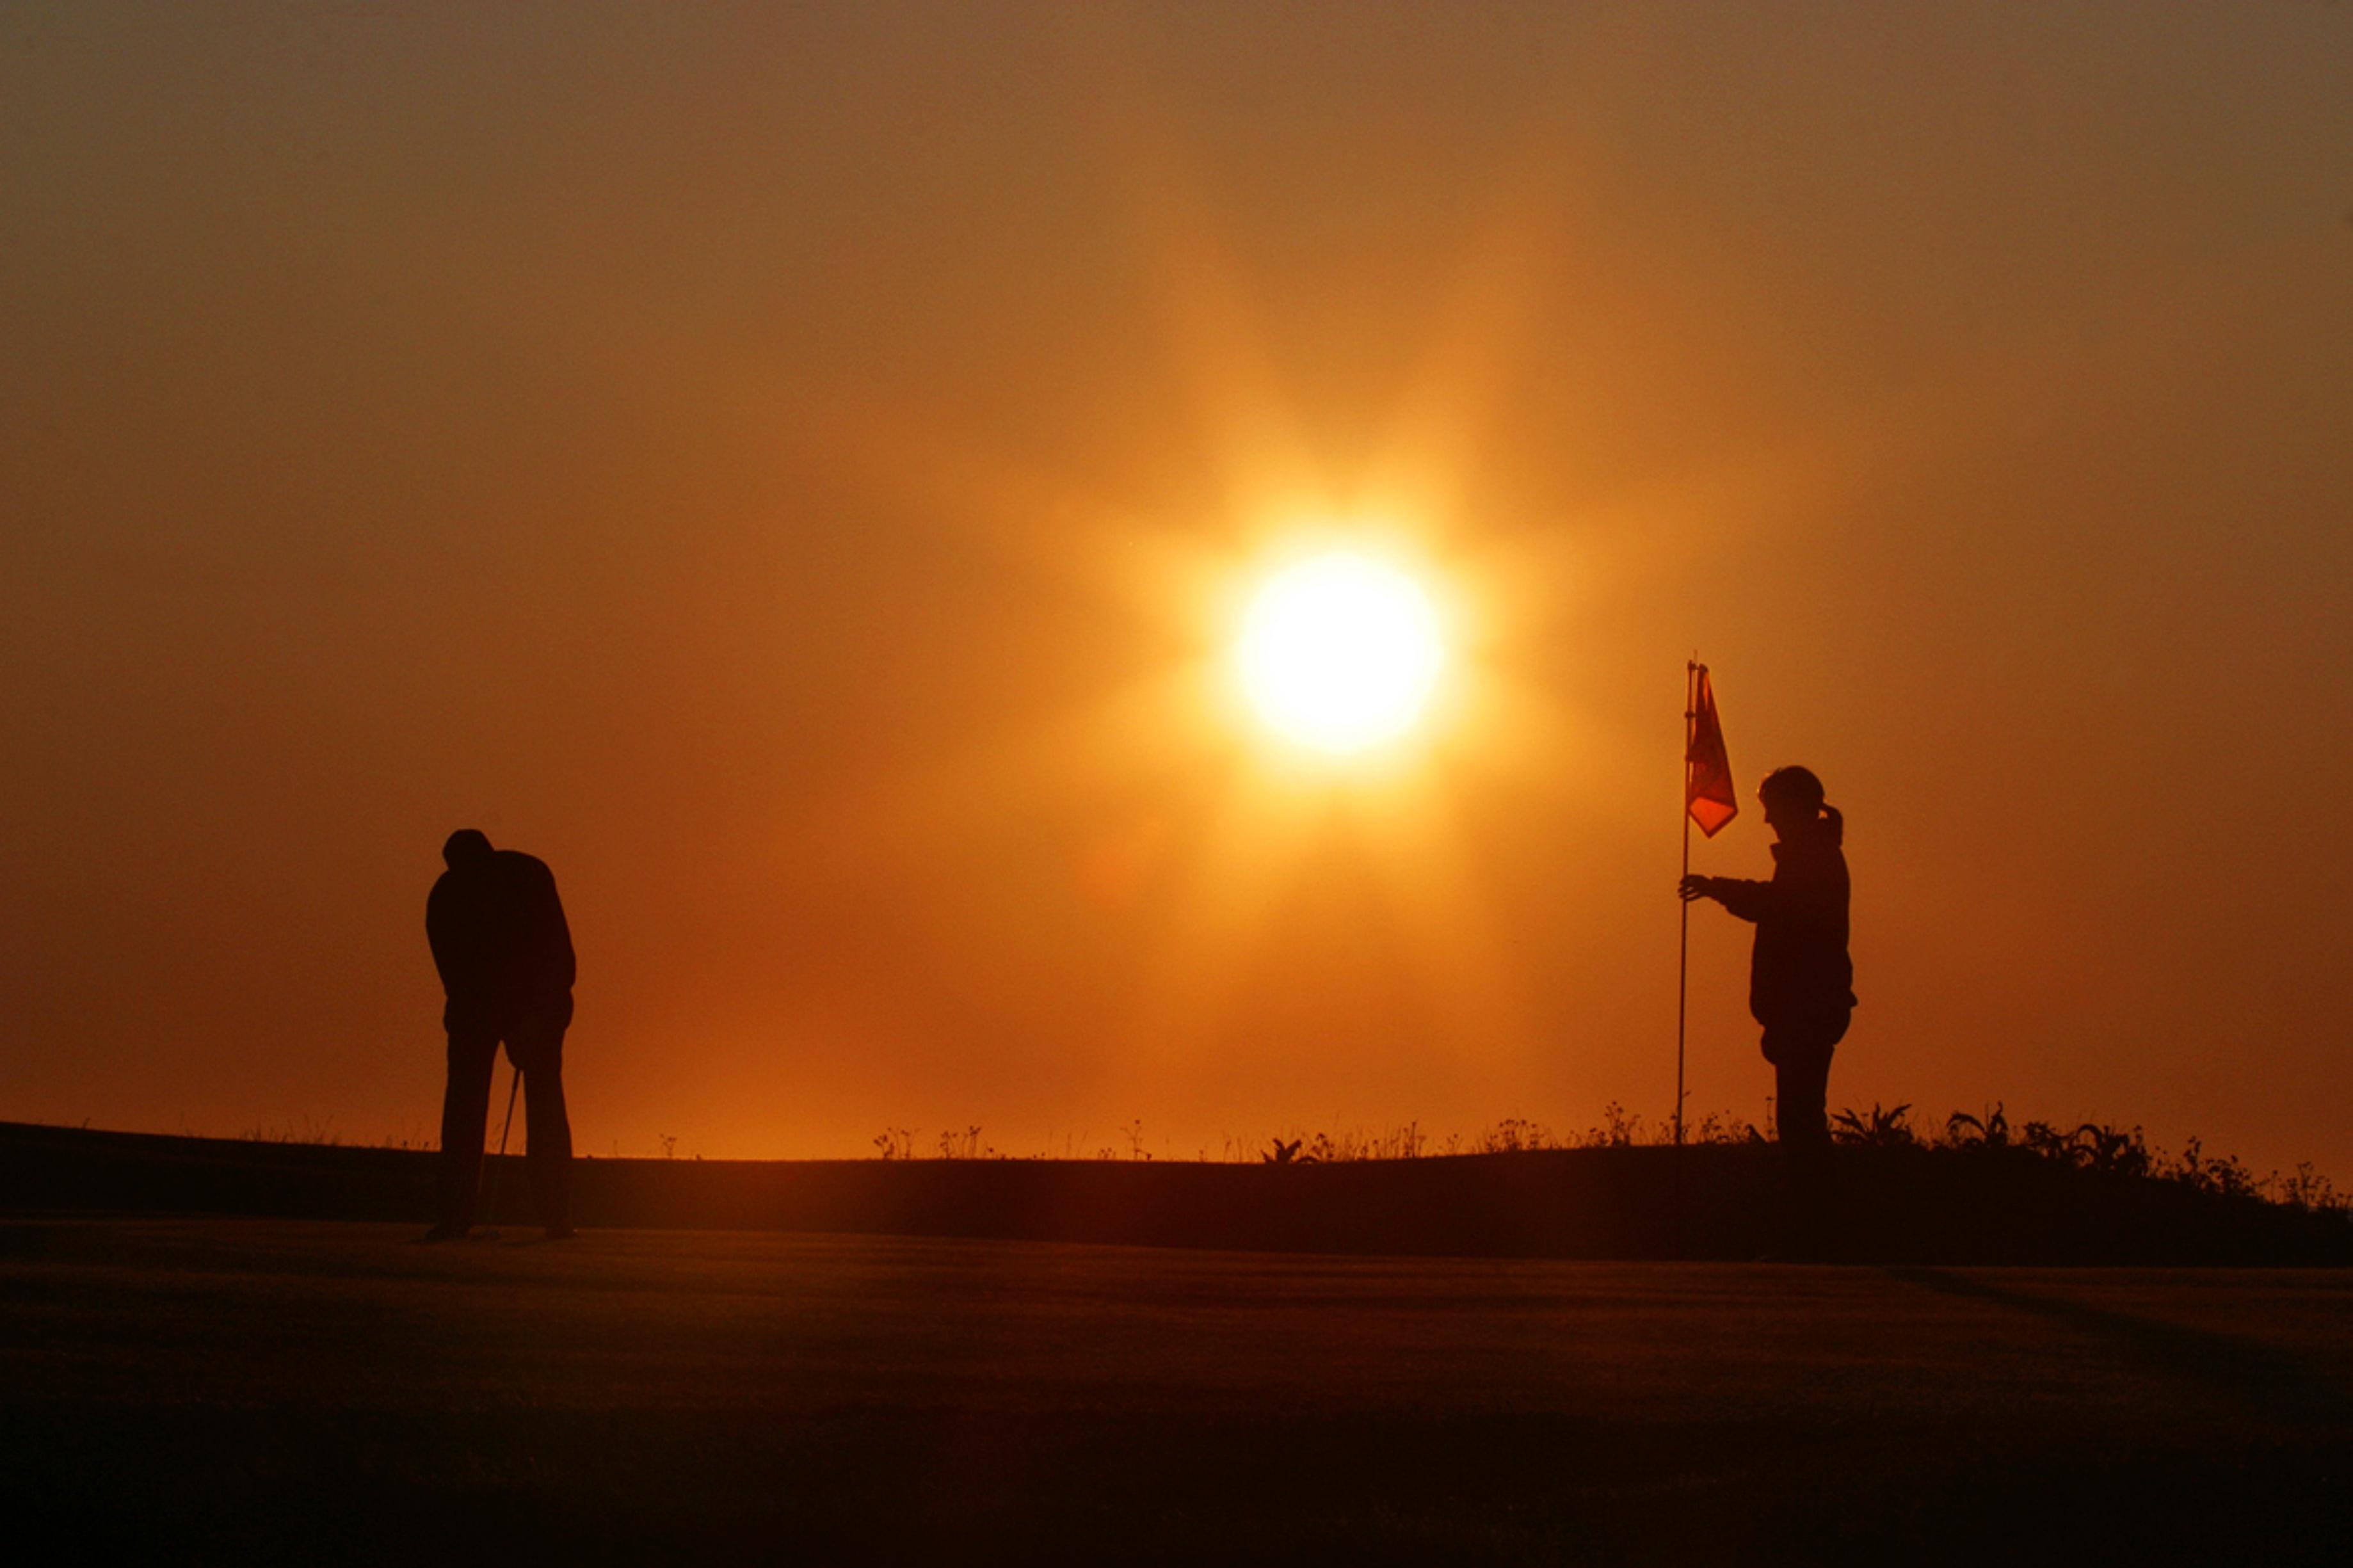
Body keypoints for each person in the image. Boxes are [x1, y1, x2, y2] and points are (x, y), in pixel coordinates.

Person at [1678, 766, 1855, 1251]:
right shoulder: (1811, 854)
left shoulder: (1815, 858)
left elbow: (1781, 905)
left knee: (1801, 1120)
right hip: (1801, 1005)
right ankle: (1817, 1228)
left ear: (1795, 808)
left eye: (1772, 810)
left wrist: (1719, 887)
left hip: (1808, 1005)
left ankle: (1821, 1231)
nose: (1767, 821)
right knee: (1800, 1119)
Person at [424, 829, 577, 1241]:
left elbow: (556, 955)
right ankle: (456, 1215)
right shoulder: (446, 897)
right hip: (476, 1007)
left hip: (539, 1003)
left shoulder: (526, 877)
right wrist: (481, 1020)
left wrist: (535, 1018)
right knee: (466, 1102)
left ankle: (555, 1215)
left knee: (541, 1102)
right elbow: (455, 976)